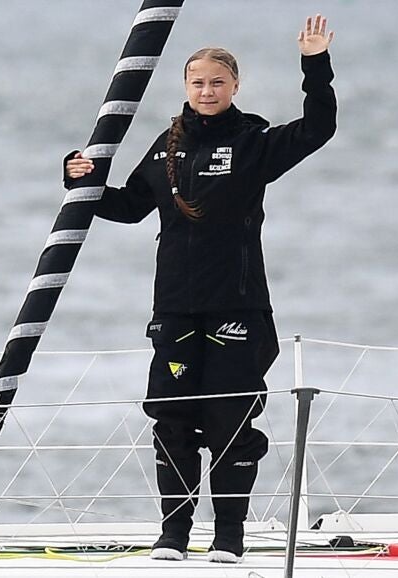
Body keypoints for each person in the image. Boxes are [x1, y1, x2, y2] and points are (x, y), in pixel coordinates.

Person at [63, 14, 336, 563]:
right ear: (185, 87)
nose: (207, 91)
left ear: (235, 86)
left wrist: (315, 63)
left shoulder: (253, 143)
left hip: (238, 309)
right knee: (172, 422)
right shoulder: (167, 147)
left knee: (228, 423)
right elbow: (128, 207)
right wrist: (80, 177)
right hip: (175, 311)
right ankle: (173, 535)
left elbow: (317, 128)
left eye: (217, 82)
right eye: (197, 82)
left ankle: (229, 538)